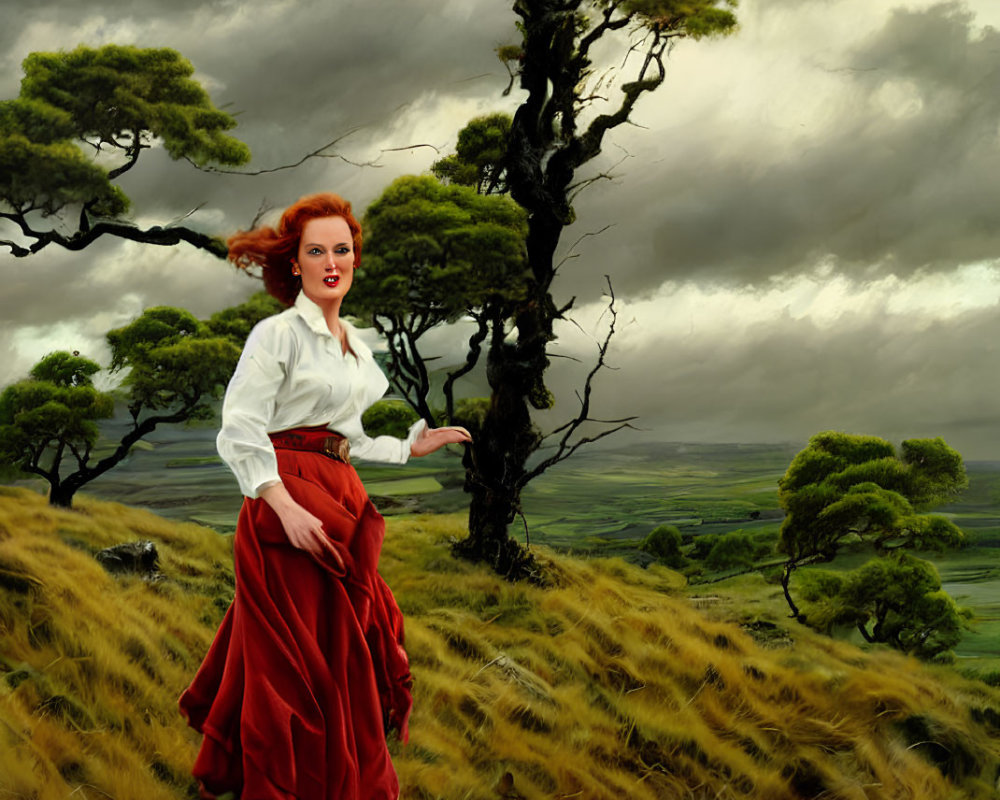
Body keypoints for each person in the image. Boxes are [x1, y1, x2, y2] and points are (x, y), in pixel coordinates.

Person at [178, 193, 471, 800]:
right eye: (317, 251)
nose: (331, 261)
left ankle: (342, 783)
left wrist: (408, 449)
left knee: (344, 653)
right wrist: (282, 508)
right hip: (284, 499)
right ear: (295, 265)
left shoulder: (357, 348)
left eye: (342, 249)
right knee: (298, 665)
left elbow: (348, 438)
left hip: (342, 501)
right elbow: (239, 427)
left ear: (355, 259)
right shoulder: (277, 335)